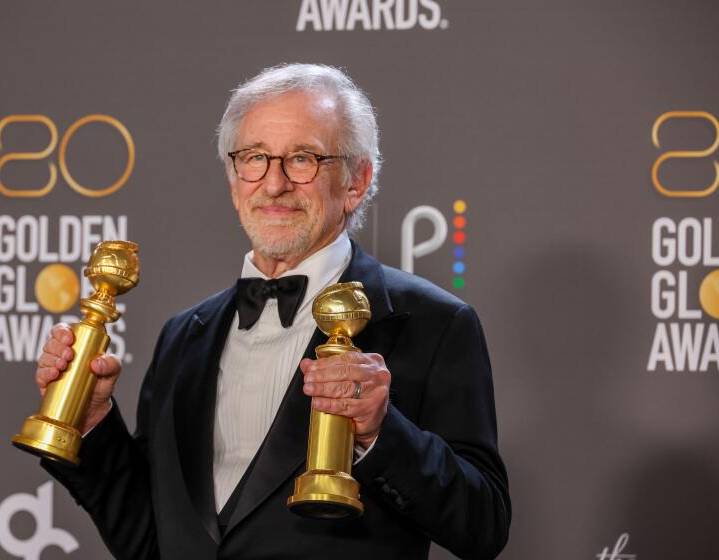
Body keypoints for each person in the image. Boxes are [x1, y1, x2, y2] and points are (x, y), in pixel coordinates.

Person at [35, 63, 510, 560]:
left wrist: (379, 433)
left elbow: (484, 525)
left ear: (356, 180)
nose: (275, 183)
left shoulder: (431, 323)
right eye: (255, 158)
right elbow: (150, 539)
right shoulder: (183, 335)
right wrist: (91, 422)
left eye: (303, 159)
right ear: (233, 176)